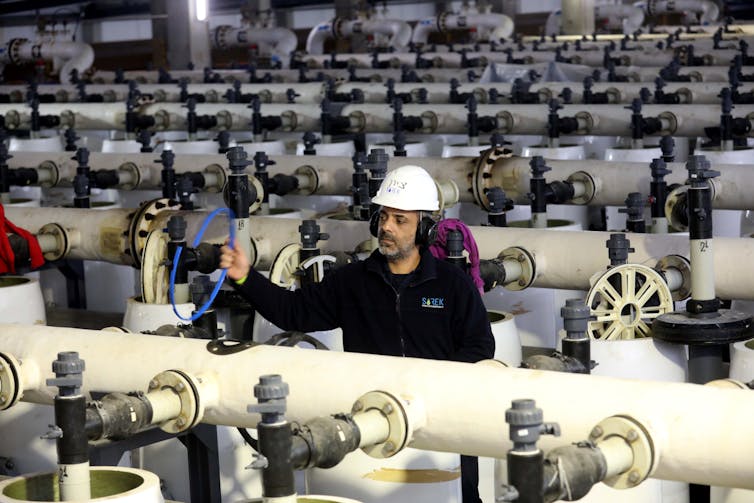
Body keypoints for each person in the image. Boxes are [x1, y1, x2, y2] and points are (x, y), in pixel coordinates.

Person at [220, 164, 495, 503]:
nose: (387, 228)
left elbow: (480, 346)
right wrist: (246, 277)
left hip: (442, 422)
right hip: (375, 422)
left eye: (400, 220)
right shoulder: (353, 282)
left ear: (424, 229)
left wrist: (431, 385)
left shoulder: (453, 285)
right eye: (383, 218)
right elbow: (292, 312)